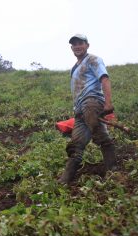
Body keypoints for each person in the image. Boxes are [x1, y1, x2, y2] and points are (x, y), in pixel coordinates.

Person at [58, 34, 116, 185]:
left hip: (91, 103)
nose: (77, 46)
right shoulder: (75, 68)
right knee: (75, 146)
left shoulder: (93, 60)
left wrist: (108, 103)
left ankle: (114, 174)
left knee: (101, 138)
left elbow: (104, 78)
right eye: (74, 44)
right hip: (79, 111)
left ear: (87, 45)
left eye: (80, 43)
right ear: (71, 48)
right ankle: (64, 181)